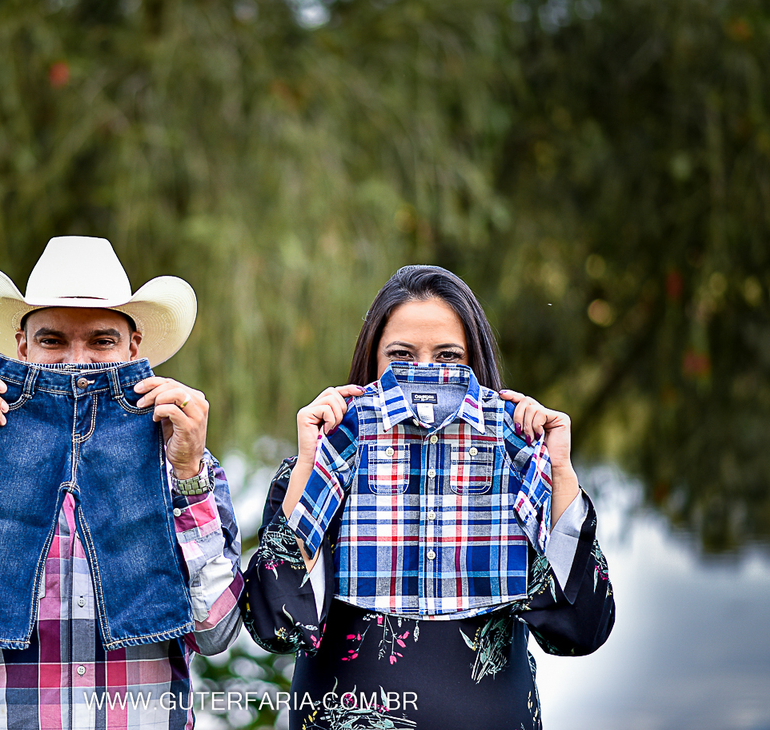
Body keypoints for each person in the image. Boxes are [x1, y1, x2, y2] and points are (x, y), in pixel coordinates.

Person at [0, 236, 242, 730]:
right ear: (22, 346)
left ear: (134, 346)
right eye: (53, 341)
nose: (77, 364)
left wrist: (188, 476)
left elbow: (218, 631)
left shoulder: (183, 462)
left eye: (101, 341)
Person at [241, 265, 615, 730]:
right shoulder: (323, 455)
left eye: (448, 357)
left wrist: (557, 469)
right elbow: (273, 628)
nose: (426, 374)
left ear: (475, 364)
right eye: (401, 355)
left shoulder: (516, 453)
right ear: (372, 363)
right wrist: (309, 467)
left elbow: (581, 632)